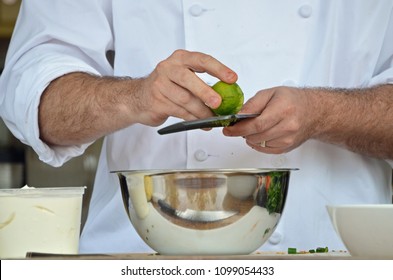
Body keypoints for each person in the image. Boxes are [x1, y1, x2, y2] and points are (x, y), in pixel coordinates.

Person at [0, 0, 392, 254]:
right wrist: (136, 96)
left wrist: (325, 111)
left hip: (335, 255)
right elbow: (32, 97)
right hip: (136, 257)